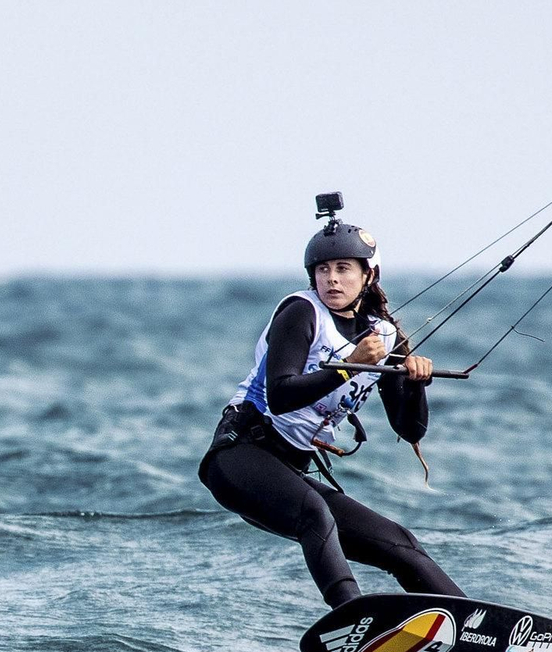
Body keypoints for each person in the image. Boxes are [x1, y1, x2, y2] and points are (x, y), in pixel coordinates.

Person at [198, 203, 464, 608]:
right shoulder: (302, 312)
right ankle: (351, 614)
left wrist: (415, 383)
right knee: (315, 515)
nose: (332, 279)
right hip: (239, 456)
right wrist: (350, 366)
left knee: (400, 544)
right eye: (323, 270)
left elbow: (409, 429)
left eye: (343, 268)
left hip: (290, 467)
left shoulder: (382, 336)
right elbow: (281, 396)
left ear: (367, 275)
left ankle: (475, 625)